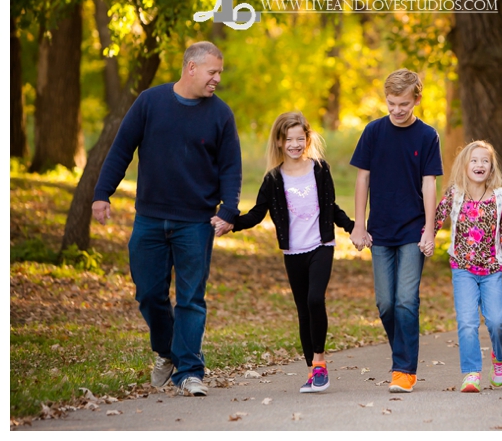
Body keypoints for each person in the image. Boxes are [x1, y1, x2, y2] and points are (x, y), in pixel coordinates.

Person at [92, 41, 241, 397]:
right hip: (150, 218)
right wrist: (101, 193)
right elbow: (121, 148)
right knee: (149, 294)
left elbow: (231, 168)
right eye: (212, 72)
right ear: (191, 68)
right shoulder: (150, 102)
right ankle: (166, 352)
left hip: (196, 222)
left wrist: (228, 210)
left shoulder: (221, 114)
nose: (217, 78)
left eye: (219, 72)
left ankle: (190, 371)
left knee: (191, 298)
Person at [230, 111, 358, 393]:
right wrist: (230, 223)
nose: (295, 144)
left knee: (315, 300)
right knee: (303, 311)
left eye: (301, 138)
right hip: (293, 252)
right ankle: (313, 371)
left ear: (308, 139)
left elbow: (332, 207)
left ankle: (321, 362)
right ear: (279, 141)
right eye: (289, 139)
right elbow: (256, 214)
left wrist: (352, 227)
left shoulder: (320, 169)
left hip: (321, 246)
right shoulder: (273, 179)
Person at [349, 69, 443, 393]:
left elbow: (429, 184)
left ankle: (403, 369)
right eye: (391, 103)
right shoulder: (373, 132)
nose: (397, 110)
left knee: (405, 300)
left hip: (412, 230)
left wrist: (429, 231)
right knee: (385, 303)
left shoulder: (427, 136)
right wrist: (359, 223)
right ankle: (401, 353)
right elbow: (362, 179)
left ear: (417, 99)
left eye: (403, 103)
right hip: (379, 230)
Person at [433, 140, 502, 393]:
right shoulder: (455, 194)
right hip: (462, 269)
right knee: (467, 322)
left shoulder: (499, 197)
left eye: (484, 161)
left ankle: (499, 357)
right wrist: (426, 239)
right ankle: (471, 373)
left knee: (497, 320)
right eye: (474, 160)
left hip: (492, 270)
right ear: (465, 165)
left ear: (491, 167)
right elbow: (436, 218)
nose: (479, 165)